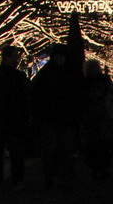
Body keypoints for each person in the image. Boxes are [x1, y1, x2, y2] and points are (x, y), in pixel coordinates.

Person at [30, 43, 83, 190]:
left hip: (60, 119)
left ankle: (59, 177)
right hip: (54, 119)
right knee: (54, 150)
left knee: (62, 150)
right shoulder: (67, 74)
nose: (60, 59)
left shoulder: (47, 74)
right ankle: (54, 177)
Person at [0, 44, 30, 189]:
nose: (18, 58)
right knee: (16, 151)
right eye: (16, 55)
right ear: (9, 57)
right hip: (14, 117)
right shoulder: (19, 76)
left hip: (0, 117)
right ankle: (17, 179)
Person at [81, 58, 113, 180]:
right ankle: (100, 168)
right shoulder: (102, 81)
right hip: (97, 117)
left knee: (98, 144)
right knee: (100, 144)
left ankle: (98, 168)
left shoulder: (86, 82)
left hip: (97, 117)